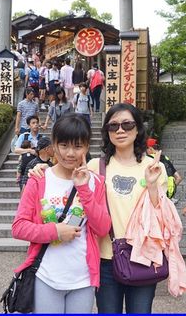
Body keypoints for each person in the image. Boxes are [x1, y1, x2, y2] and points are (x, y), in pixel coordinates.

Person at [11, 115, 112, 313]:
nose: (70, 153)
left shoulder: (96, 183)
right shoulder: (39, 179)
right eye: (64, 145)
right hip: (46, 276)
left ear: (87, 146)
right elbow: (19, 227)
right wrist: (55, 232)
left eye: (78, 146)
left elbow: (102, 228)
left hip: (83, 278)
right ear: (54, 145)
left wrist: (83, 188)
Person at [88, 103, 178, 313]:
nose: (120, 130)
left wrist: (153, 185)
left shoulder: (155, 167)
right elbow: (71, 185)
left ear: (137, 129)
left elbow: (161, 216)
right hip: (106, 259)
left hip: (144, 256)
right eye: (113, 126)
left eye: (127, 124)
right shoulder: (96, 167)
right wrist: (40, 169)